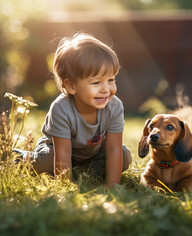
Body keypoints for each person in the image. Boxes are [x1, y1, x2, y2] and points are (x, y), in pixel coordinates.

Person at [14, 32, 132, 188]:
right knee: (46, 161)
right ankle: (24, 160)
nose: (106, 89)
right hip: (55, 151)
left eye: (111, 80)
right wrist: (66, 187)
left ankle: (80, 172)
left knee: (124, 155)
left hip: (92, 154)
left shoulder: (114, 106)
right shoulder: (61, 109)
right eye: (96, 82)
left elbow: (113, 148)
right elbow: (63, 153)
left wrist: (113, 185)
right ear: (71, 86)